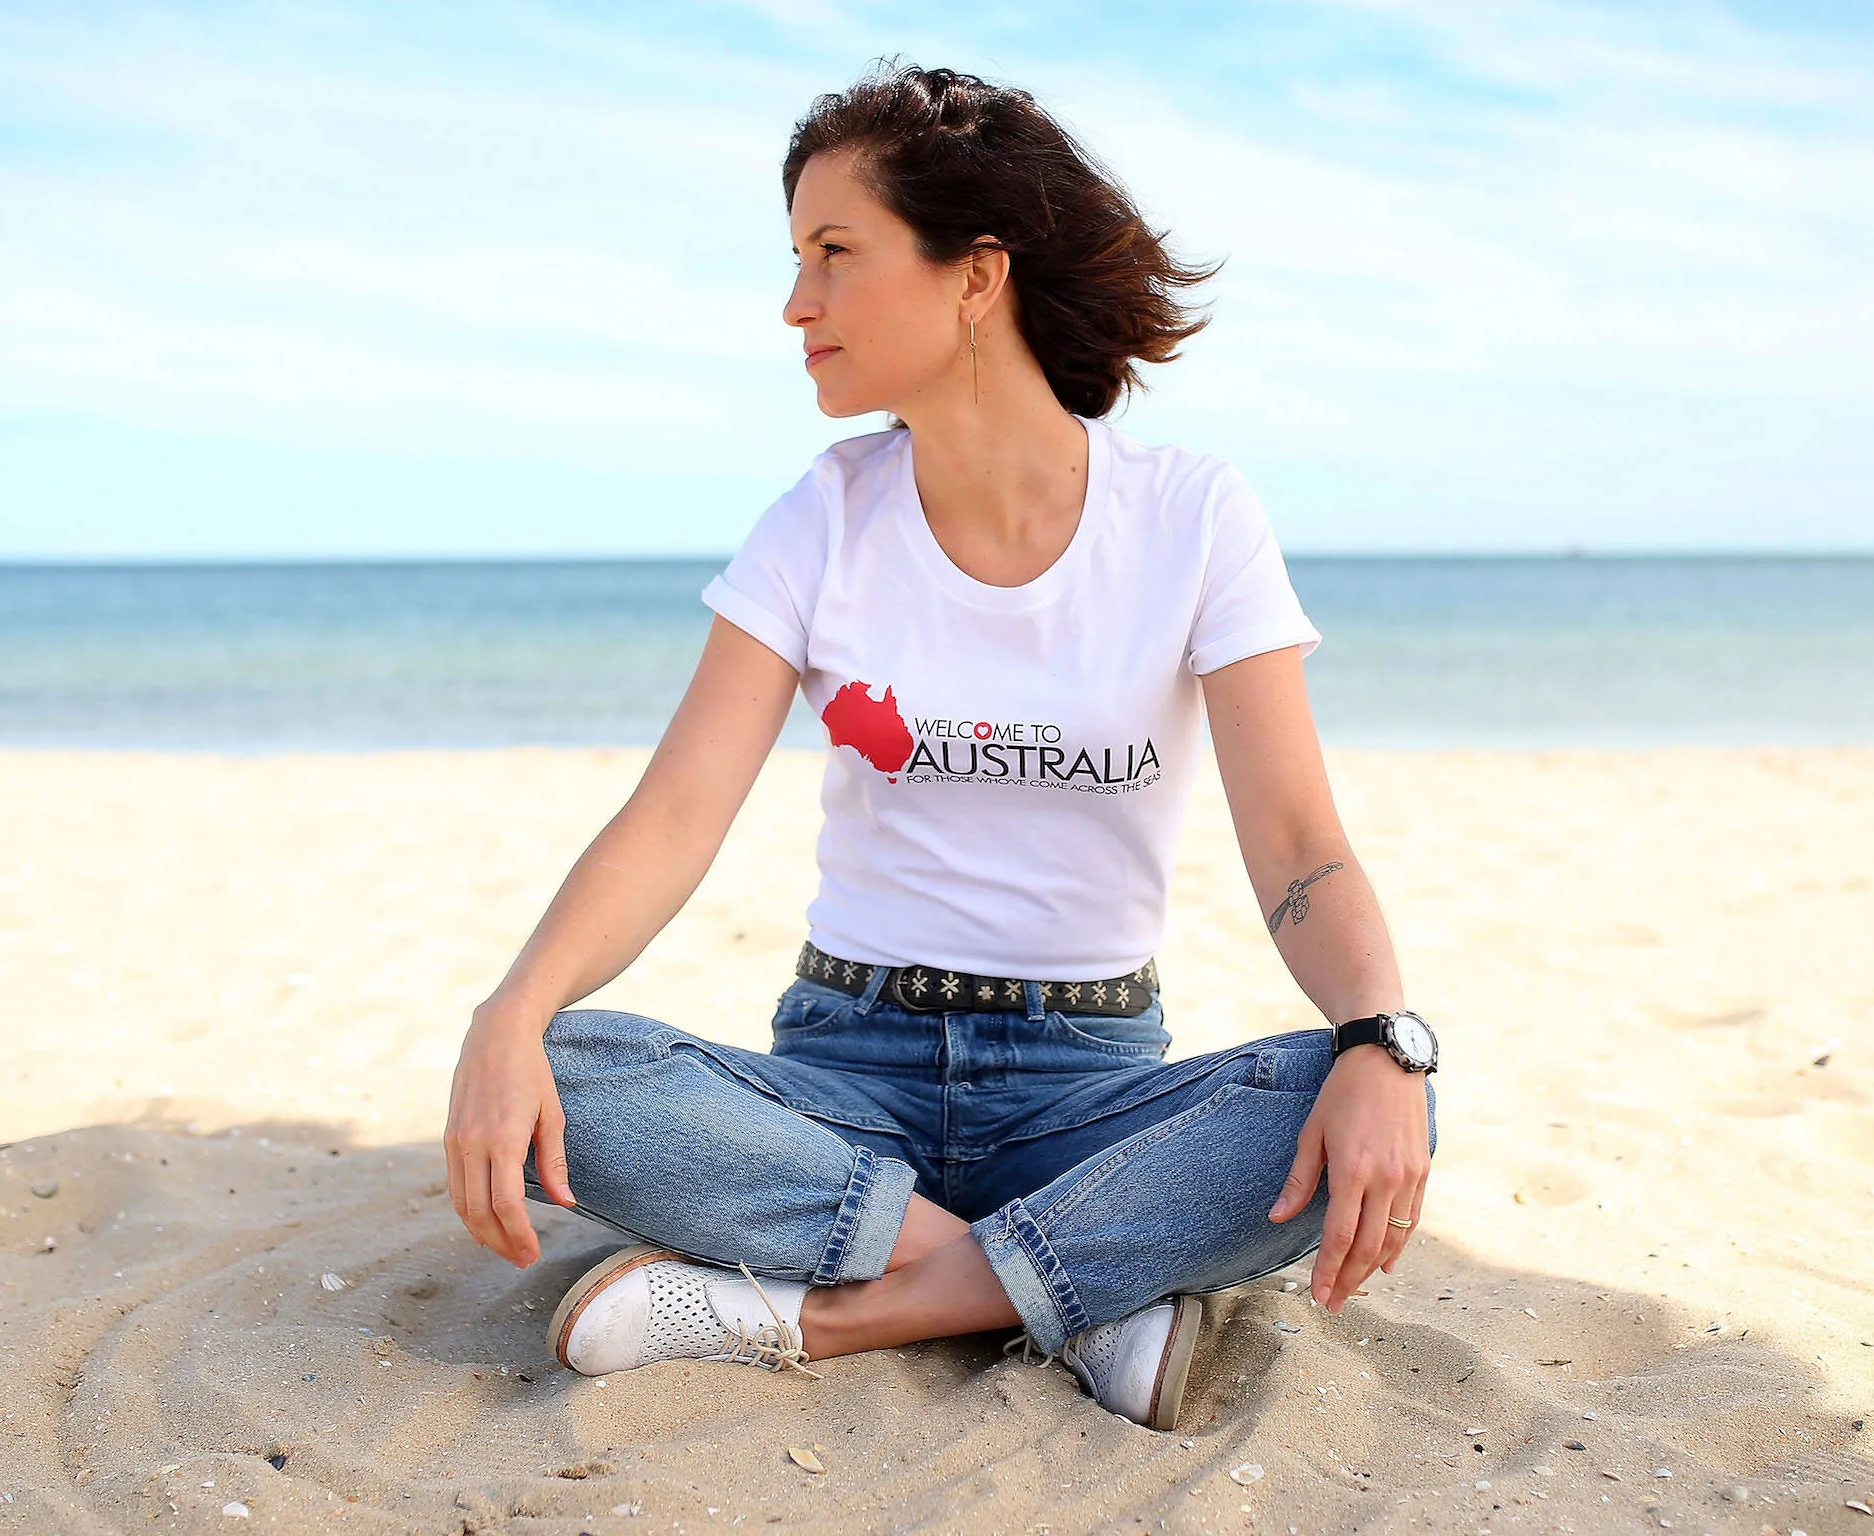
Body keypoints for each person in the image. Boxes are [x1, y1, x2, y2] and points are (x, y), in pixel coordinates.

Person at [443, 61, 1438, 1433]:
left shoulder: (1194, 516)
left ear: (976, 275)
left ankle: (834, 1308)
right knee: (572, 1071)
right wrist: (512, 1012)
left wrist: (1383, 1040)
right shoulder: (824, 517)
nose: (798, 305)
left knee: (1371, 1109)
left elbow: (1299, 850)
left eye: (835, 256)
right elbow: (674, 820)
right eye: (798, 260)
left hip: (1088, 1083)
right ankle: (1077, 1287)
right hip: (847, 1074)